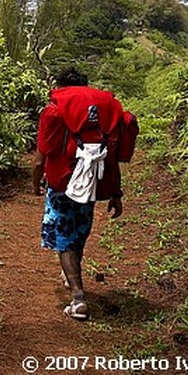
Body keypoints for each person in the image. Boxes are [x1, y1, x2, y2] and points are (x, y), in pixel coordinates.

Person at [31, 67, 125, 320]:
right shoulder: (106, 109)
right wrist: (116, 192)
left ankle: (78, 297)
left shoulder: (55, 109)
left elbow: (40, 159)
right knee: (79, 231)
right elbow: (114, 155)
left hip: (62, 182)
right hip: (94, 181)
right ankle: (70, 275)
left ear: (60, 86)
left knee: (64, 236)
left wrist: (35, 182)